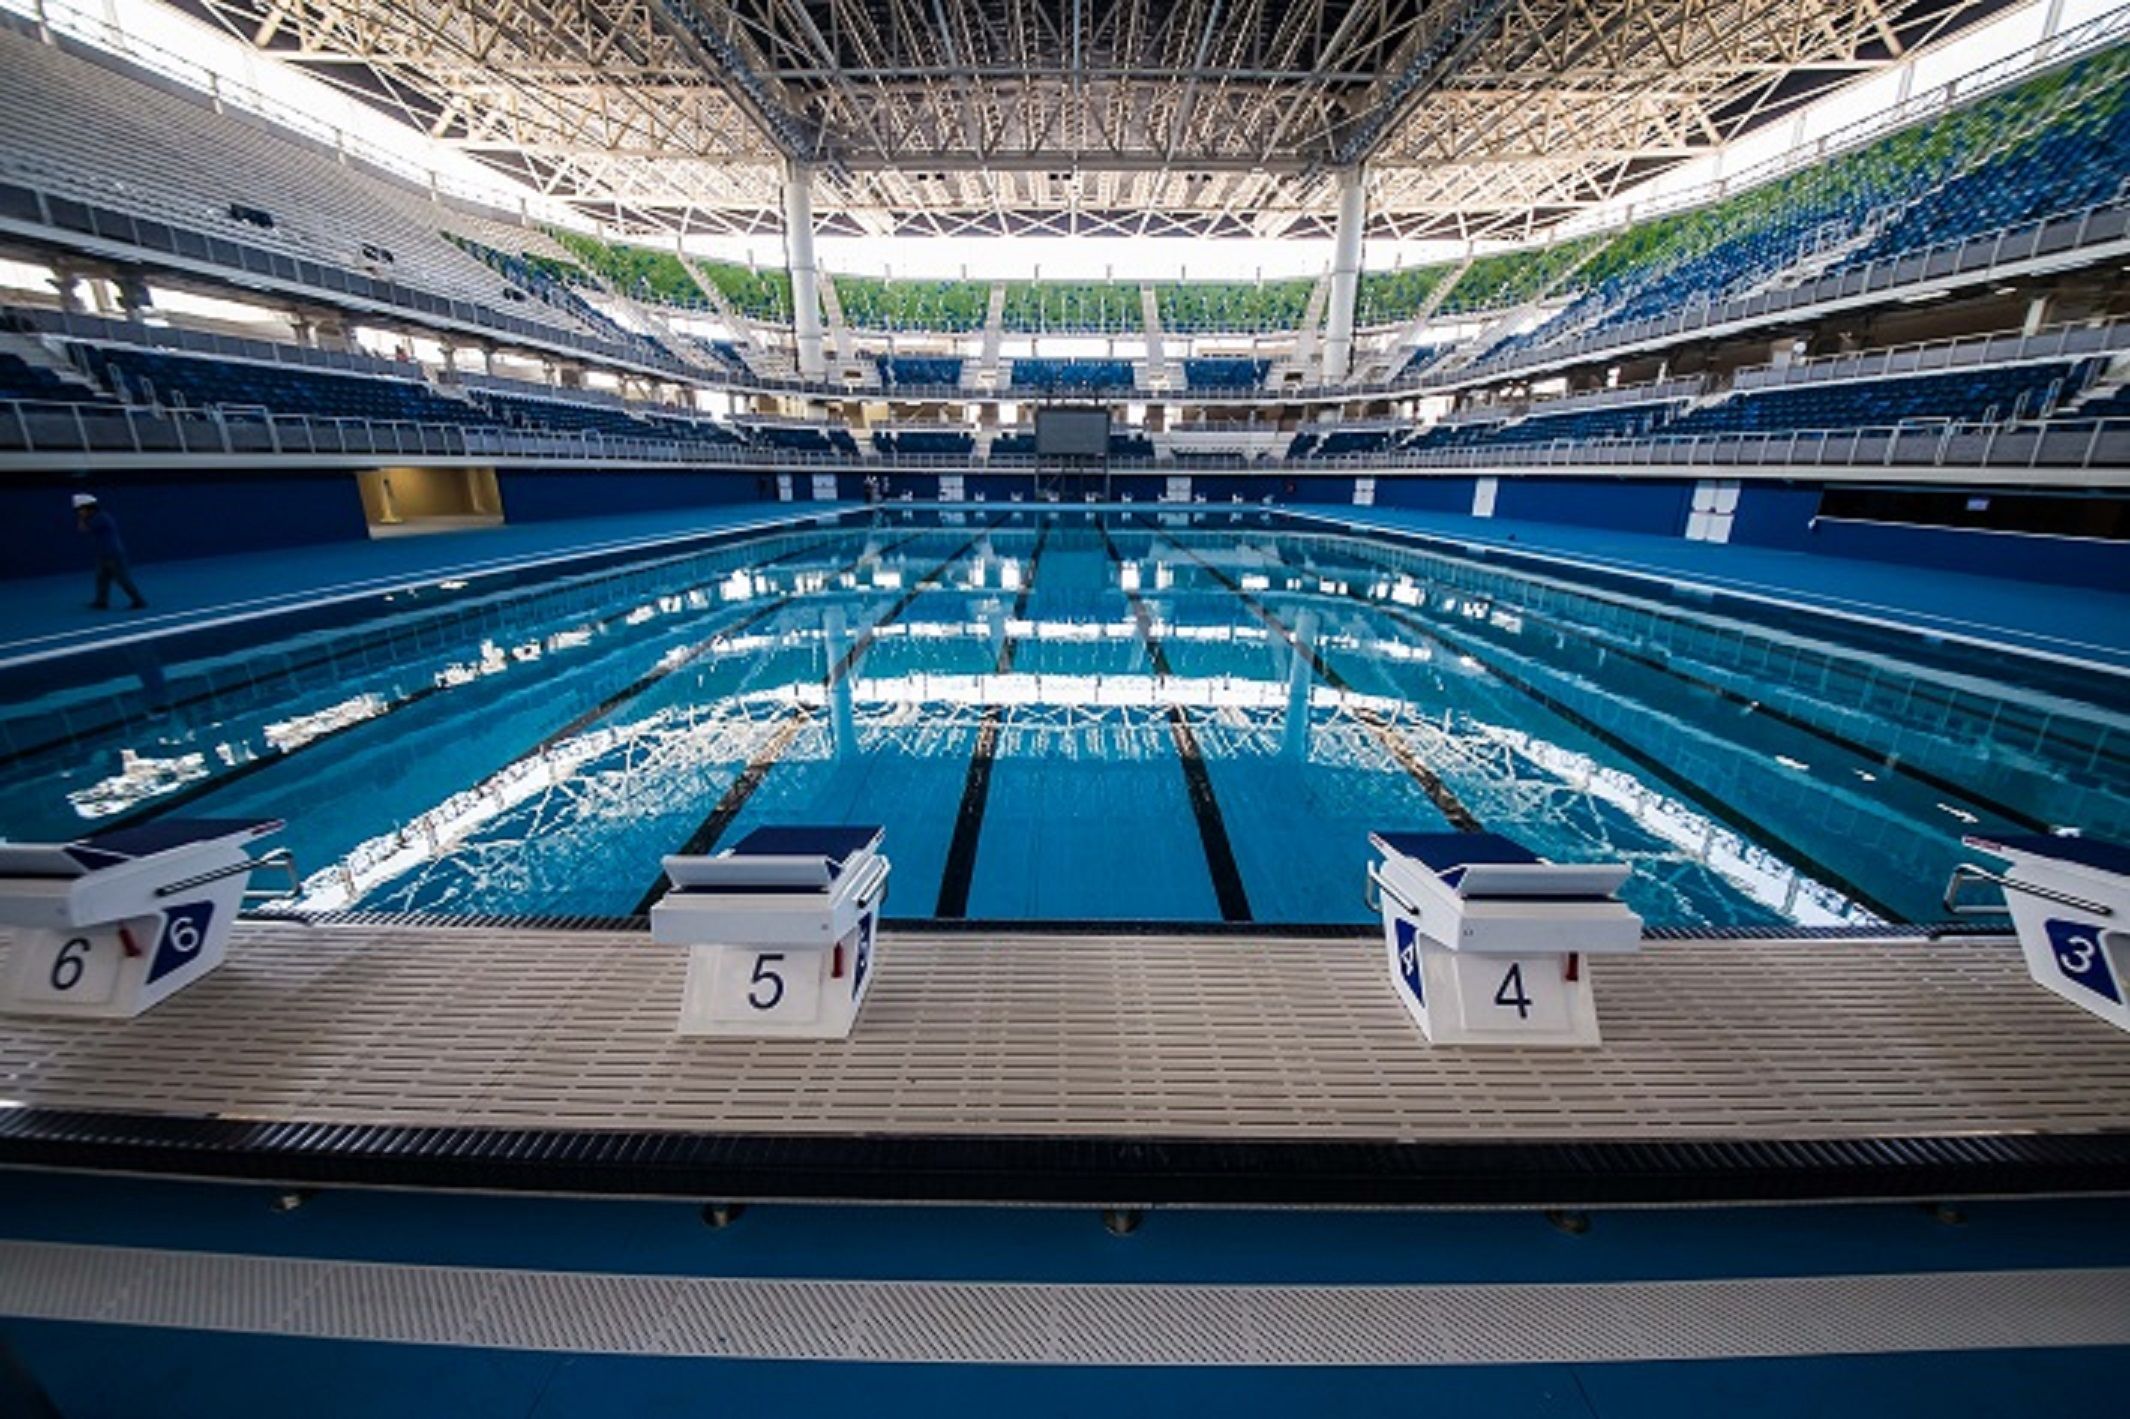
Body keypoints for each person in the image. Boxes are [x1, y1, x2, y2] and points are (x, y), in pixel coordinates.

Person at [73, 492, 147, 611]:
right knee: (101, 579)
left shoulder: (100, 517)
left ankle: (139, 601)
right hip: (103, 554)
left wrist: (81, 518)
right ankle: (101, 602)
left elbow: (83, 529)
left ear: (88, 508)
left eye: (81, 509)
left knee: (122, 579)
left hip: (112, 554)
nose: (79, 512)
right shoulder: (97, 517)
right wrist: (83, 516)